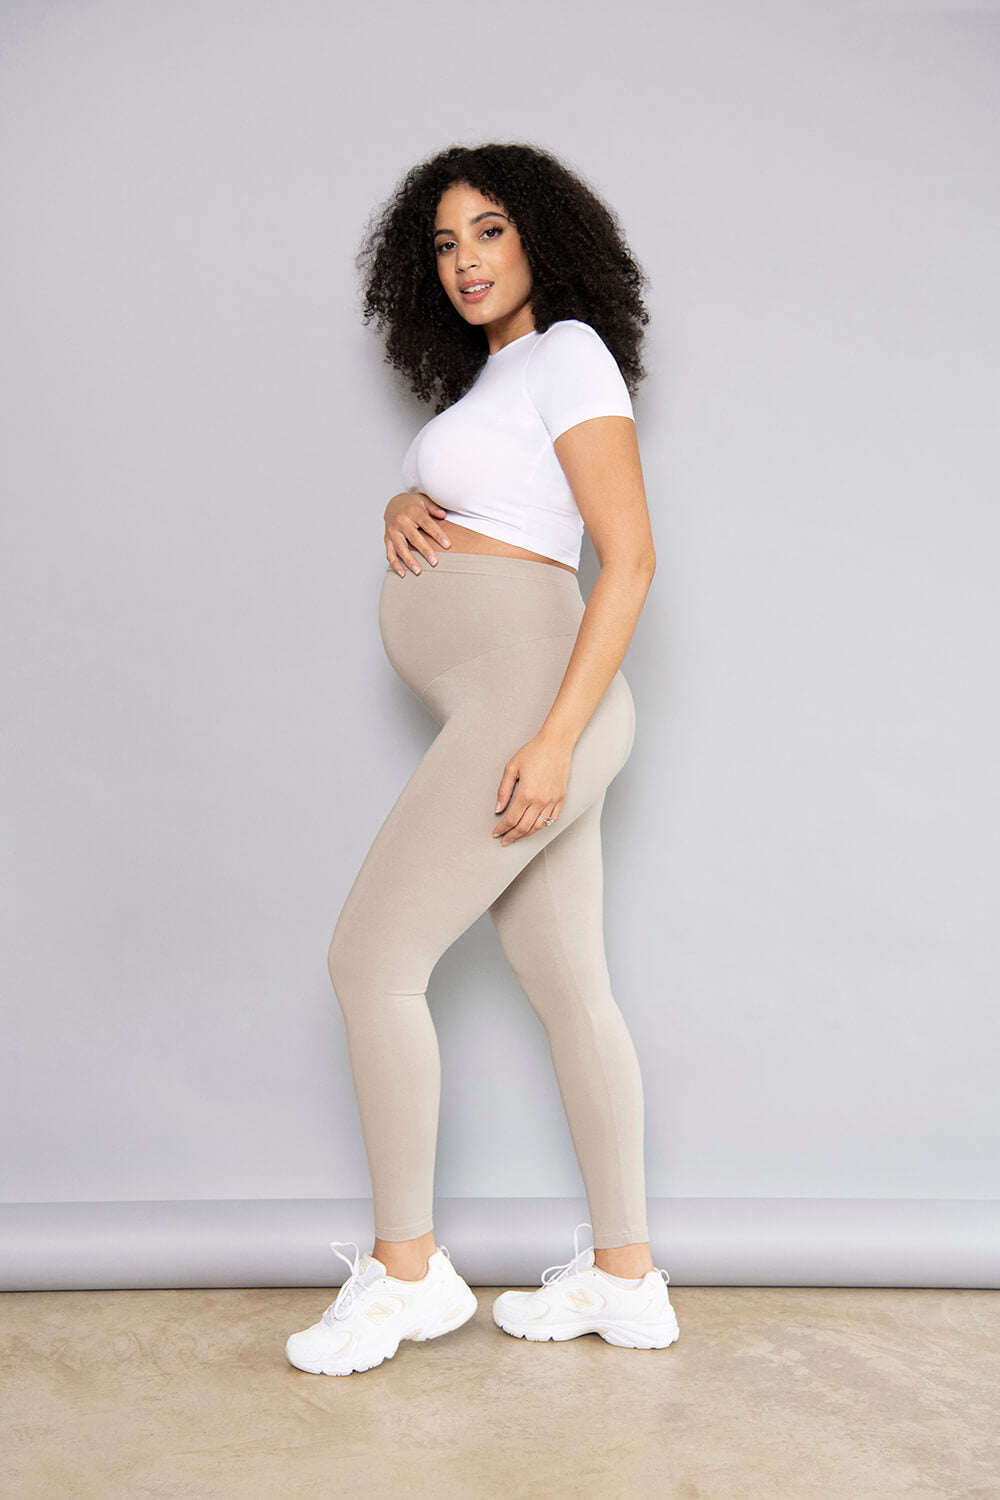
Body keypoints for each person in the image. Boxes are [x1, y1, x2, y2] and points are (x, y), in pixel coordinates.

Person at [285, 143, 680, 1377]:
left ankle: (408, 1276)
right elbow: (488, 507)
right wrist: (400, 503)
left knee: (371, 962)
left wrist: (551, 738)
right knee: (571, 989)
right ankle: (627, 1281)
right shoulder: (493, 384)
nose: (466, 260)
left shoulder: (568, 354)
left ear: (541, 237)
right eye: (445, 244)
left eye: (490, 231)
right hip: (514, 698)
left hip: (532, 700)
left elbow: (629, 558)